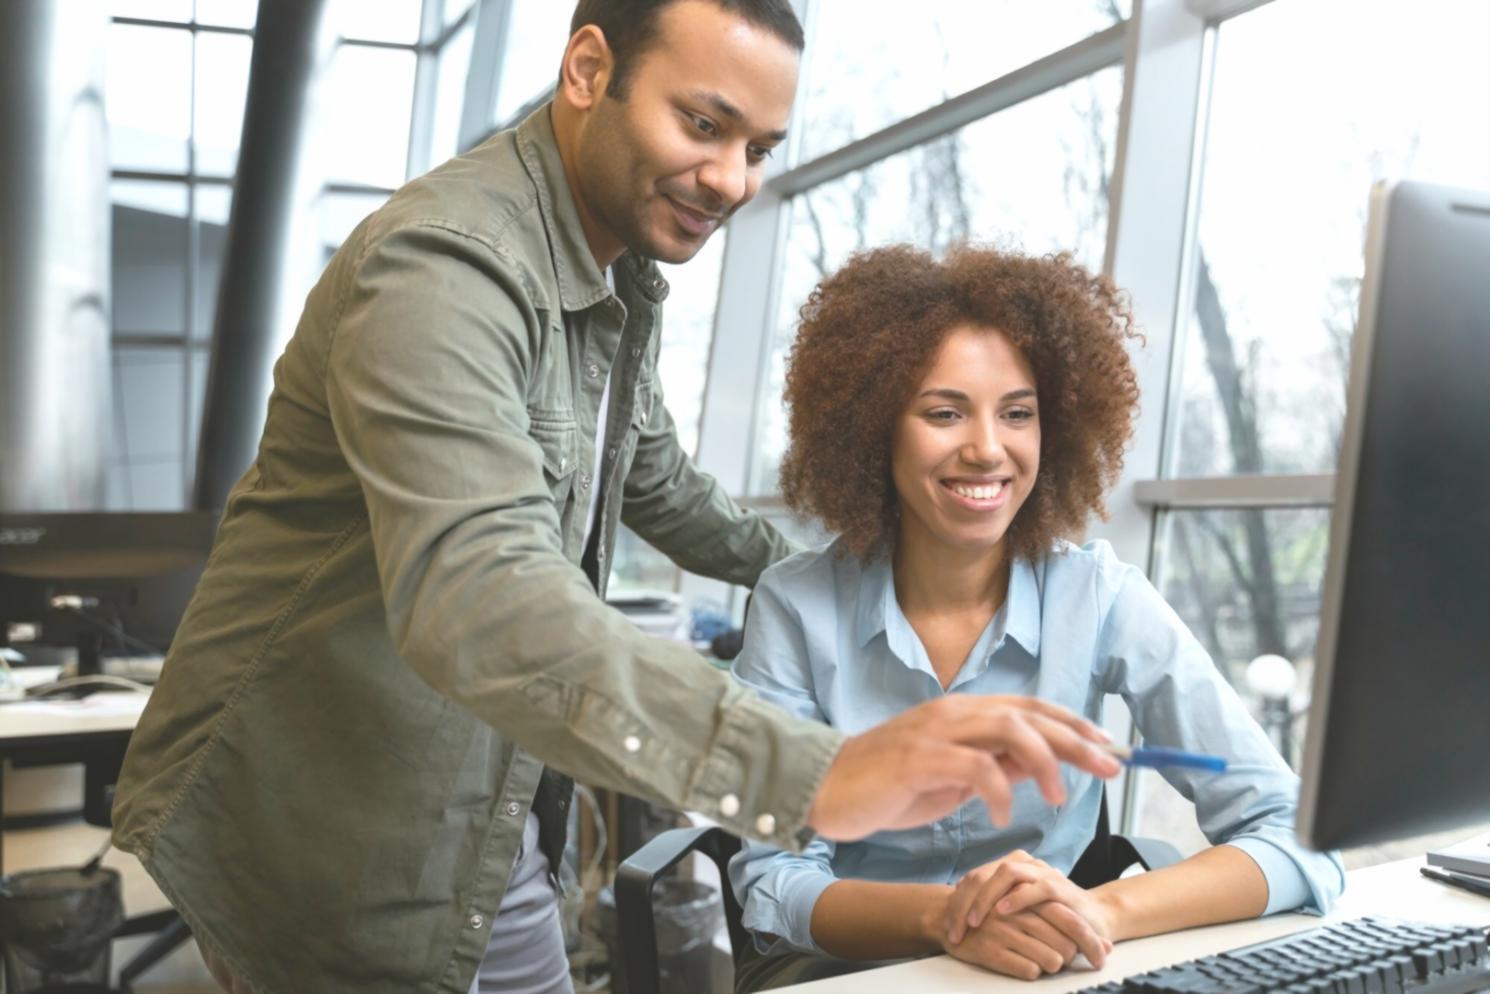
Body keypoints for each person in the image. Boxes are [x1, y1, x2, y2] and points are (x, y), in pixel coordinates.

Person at [109, 4, 1121, 993]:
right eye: (702, 124)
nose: (730, 180)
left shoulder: (616, 273)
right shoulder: (444, 267)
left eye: (759, 147)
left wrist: (848, 579)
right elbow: (478, 594)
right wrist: (818, 773)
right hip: (327, 809)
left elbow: (656, 480)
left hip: (475, 797)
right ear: (588, 70)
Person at [727, 244, 1347, 991]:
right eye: (944, 412)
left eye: (1017, 414)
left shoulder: (1102, 597)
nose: (988, 449)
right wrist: (948, 917)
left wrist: (1098, 911)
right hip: (848, 970)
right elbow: (775, 880)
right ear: (873, 428)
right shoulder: (795, 606)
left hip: (1044, 965)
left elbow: (1295, 835)